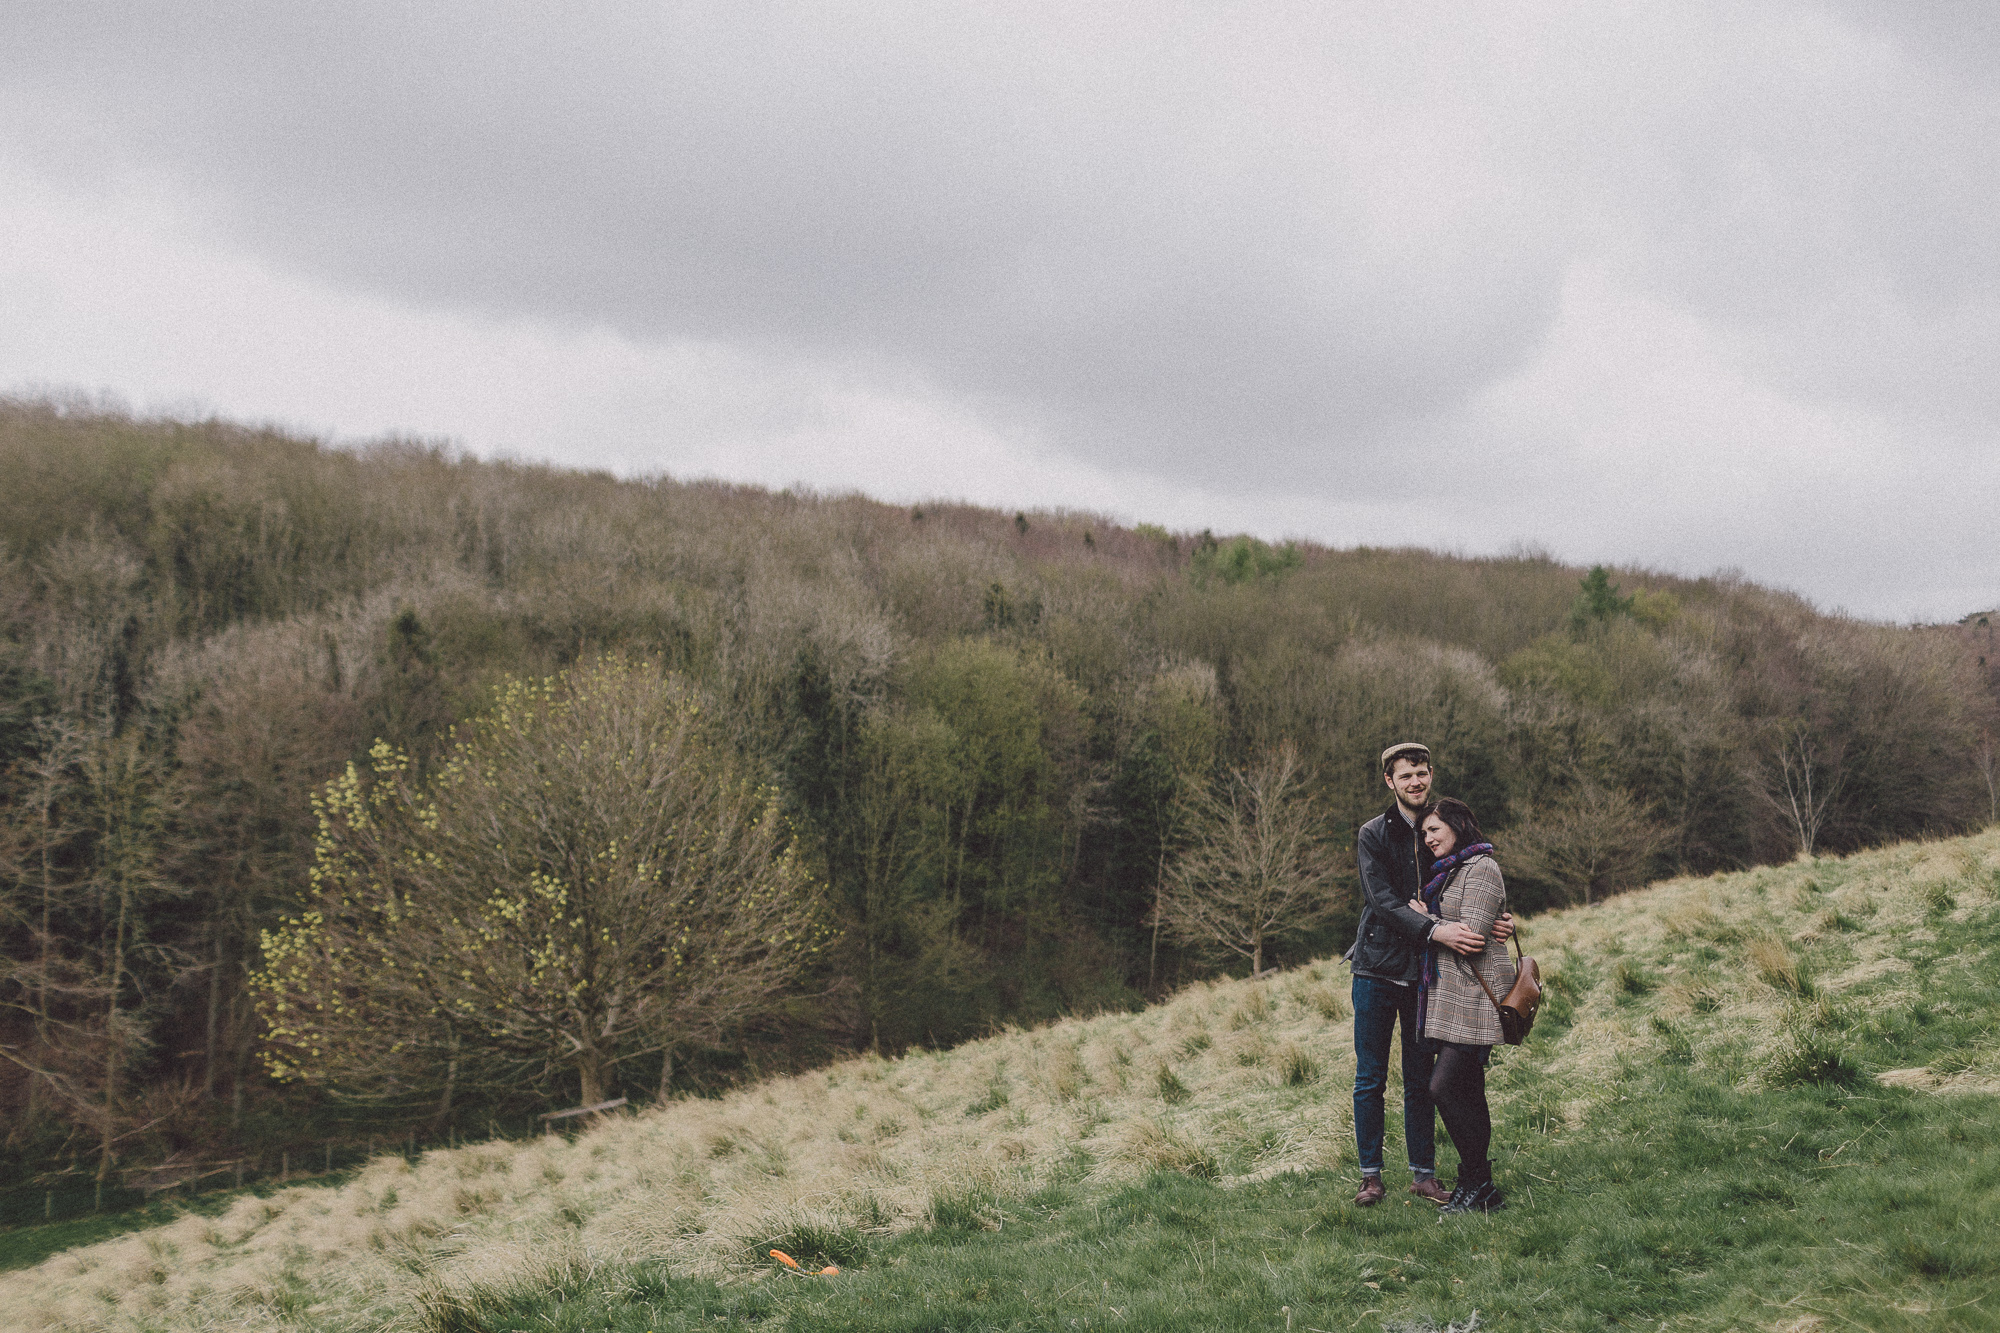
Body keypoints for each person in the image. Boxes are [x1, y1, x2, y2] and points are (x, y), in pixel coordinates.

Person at [1346, 742, 1512, 1207]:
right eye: (1405, 776)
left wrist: (1500, 918)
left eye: (1421, 773)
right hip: (1377, 968)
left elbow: (1473, 884)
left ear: (1431, 774)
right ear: (1389, 782)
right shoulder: (1373, 834)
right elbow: (1383, 901)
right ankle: (1371, 1176)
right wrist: (1435, 930)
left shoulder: (1441, 827)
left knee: (1420, 1076)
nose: (1415, 782)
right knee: (1370, 1077)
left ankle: (1424, 1174)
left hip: (1426, 976)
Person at [1408, 796, 1514, 1215]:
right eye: (1425, 833)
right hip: (1456, 999)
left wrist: (1426, 921)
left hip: (1477, 997)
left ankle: (1478, 1180)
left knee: (1444, 1087)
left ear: (1457, 825)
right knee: (1468, 1090)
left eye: (1434, 829)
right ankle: (1479, 1188)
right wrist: (1432, 922)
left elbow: (1469, 937)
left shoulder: (1482, 868)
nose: (1428, 838)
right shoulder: (1453, 871)